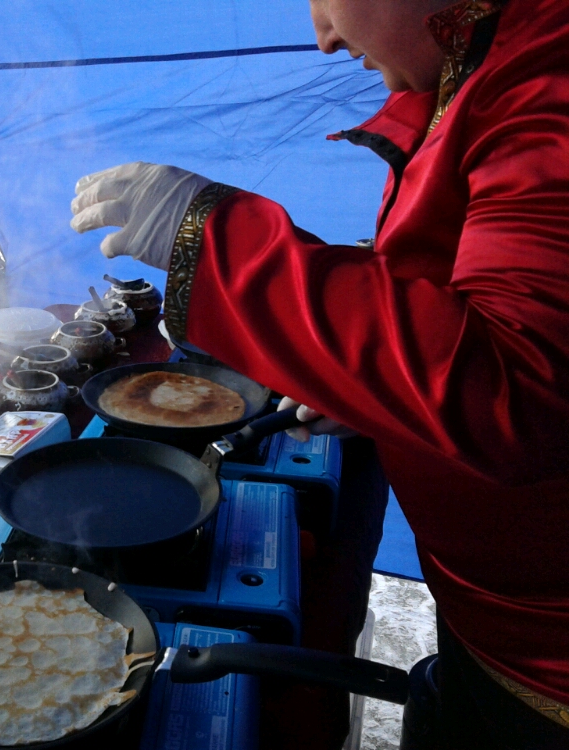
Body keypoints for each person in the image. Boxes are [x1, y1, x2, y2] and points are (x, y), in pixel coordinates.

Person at [71, 0, 569, 747]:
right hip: (501, 618)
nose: (323, 37)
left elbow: (516, 389)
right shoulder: (489, 67)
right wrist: (370, 387)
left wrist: (216, 243)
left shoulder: (551, 82)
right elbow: (455, 300)